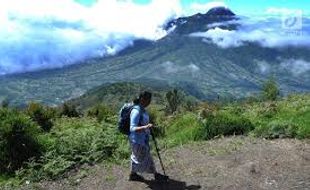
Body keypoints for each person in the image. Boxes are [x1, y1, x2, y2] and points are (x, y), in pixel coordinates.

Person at [129, 91, 168, 182]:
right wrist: (146, 127)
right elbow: (132, 128)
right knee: (146, 157)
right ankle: (156, 175)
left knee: (138, 157)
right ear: (142, 99)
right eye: (148, 100)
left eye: (150, 99)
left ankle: (133, 175)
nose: (149, 102)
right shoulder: (136, 111)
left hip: (141, 140)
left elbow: (142, 122)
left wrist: (147, 127)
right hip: (137, 141)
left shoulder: (142, 109)